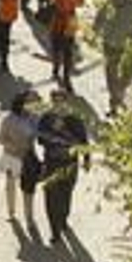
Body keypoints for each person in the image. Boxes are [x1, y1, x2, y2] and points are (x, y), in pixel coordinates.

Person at [36, 87, 90, 245]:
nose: (58, 104)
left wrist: (87, 159)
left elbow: (83, 141)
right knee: (51, 197)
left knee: (66, 194)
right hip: (51, 162)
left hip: (70, 163)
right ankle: (55, 230)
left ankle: (63, 219)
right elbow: (40, 139)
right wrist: (54, 134)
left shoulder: (74, 119)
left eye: (61, 100)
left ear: (66, 102)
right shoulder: (46, 118)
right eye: (55, 101)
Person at [0, 90, 42, 231]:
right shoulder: (8, 119)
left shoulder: (35, 117)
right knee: (11, 185)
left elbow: (40, 134)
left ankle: (29, 219)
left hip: (29, 157)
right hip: (12, 157)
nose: (33, 104)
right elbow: (0, 138)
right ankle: (11, 212)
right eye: (29, 102)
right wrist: (14, 146)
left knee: (28, 190)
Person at [95, 0, 132, 116]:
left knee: (128, 73)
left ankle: (119, 93)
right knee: (111, 75)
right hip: (110, 44)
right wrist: (96, 29)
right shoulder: (108, 5)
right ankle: (114, 104)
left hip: (127, 44)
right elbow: (99, 19)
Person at [44, 0, 85, 91]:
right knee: (55, 46)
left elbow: (81, 2)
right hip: (56, 17)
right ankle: (56, 66)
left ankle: (66, 77)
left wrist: (75, 0)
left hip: (70, 18)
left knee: (68, 49)